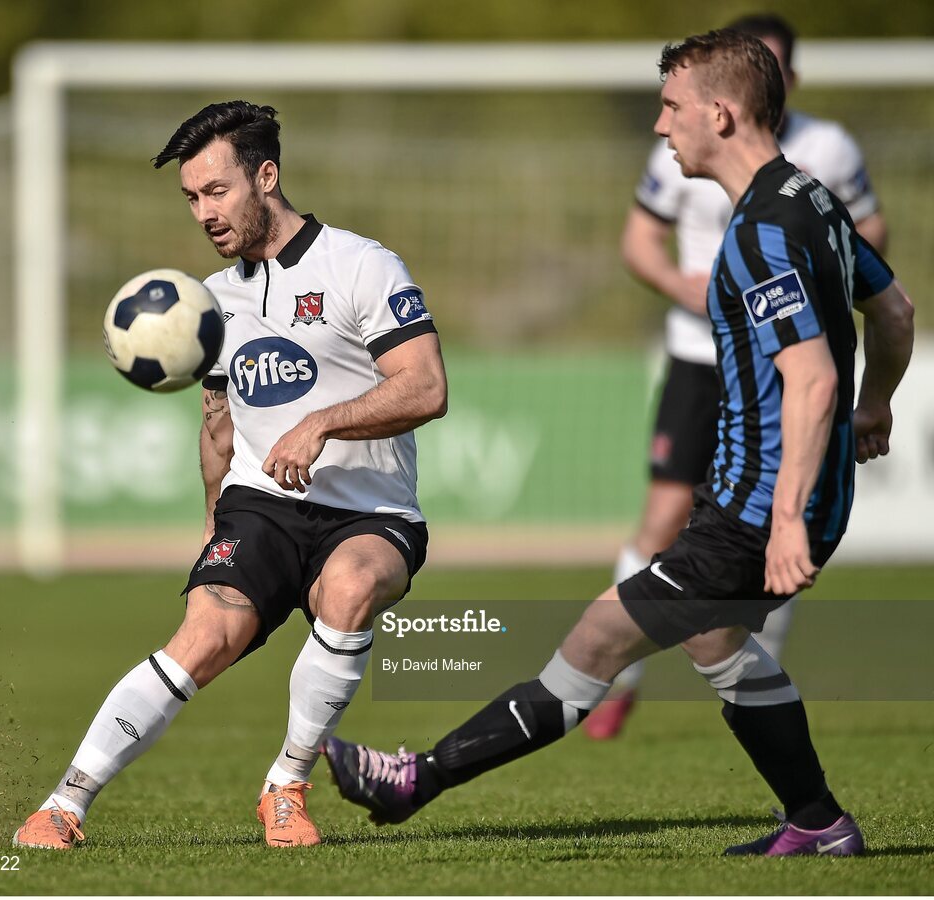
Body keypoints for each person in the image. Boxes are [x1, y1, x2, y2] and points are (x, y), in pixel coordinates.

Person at [324, 29, 913, 857]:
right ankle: (819, 823)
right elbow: (895, 313)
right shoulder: (812, 198)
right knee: (713, 639)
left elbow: (813, 379)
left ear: (723, 111)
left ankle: (416, 778)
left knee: (596, 642)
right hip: (767, 499)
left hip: (755, 511)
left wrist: (784, 519)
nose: (659, 126)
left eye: (672, 106)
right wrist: (878, 406)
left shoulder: (759, 235)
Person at [12, 101, 448, 850]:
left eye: (216, 191)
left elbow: (426, 387)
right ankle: (64, 804)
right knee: (205, 631)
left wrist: (321, 423)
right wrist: (216, 520)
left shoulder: (360, 265)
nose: (203, 213)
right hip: (262, 507)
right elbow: (217, 424)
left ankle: (285, 786)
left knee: (347, 590)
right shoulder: (209, 303)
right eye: (191, 198)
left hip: (371, 512)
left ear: (265, 176)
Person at [588, 13, 890, 740]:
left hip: (782, 359)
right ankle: (616, 677)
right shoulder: (682, 137)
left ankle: (747, 683)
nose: (664, 123)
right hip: (699, 354)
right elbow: (640, 240)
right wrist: (677, 283)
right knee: (664, 516)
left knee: (768, 529)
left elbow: (872, 240)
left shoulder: (825, 153)